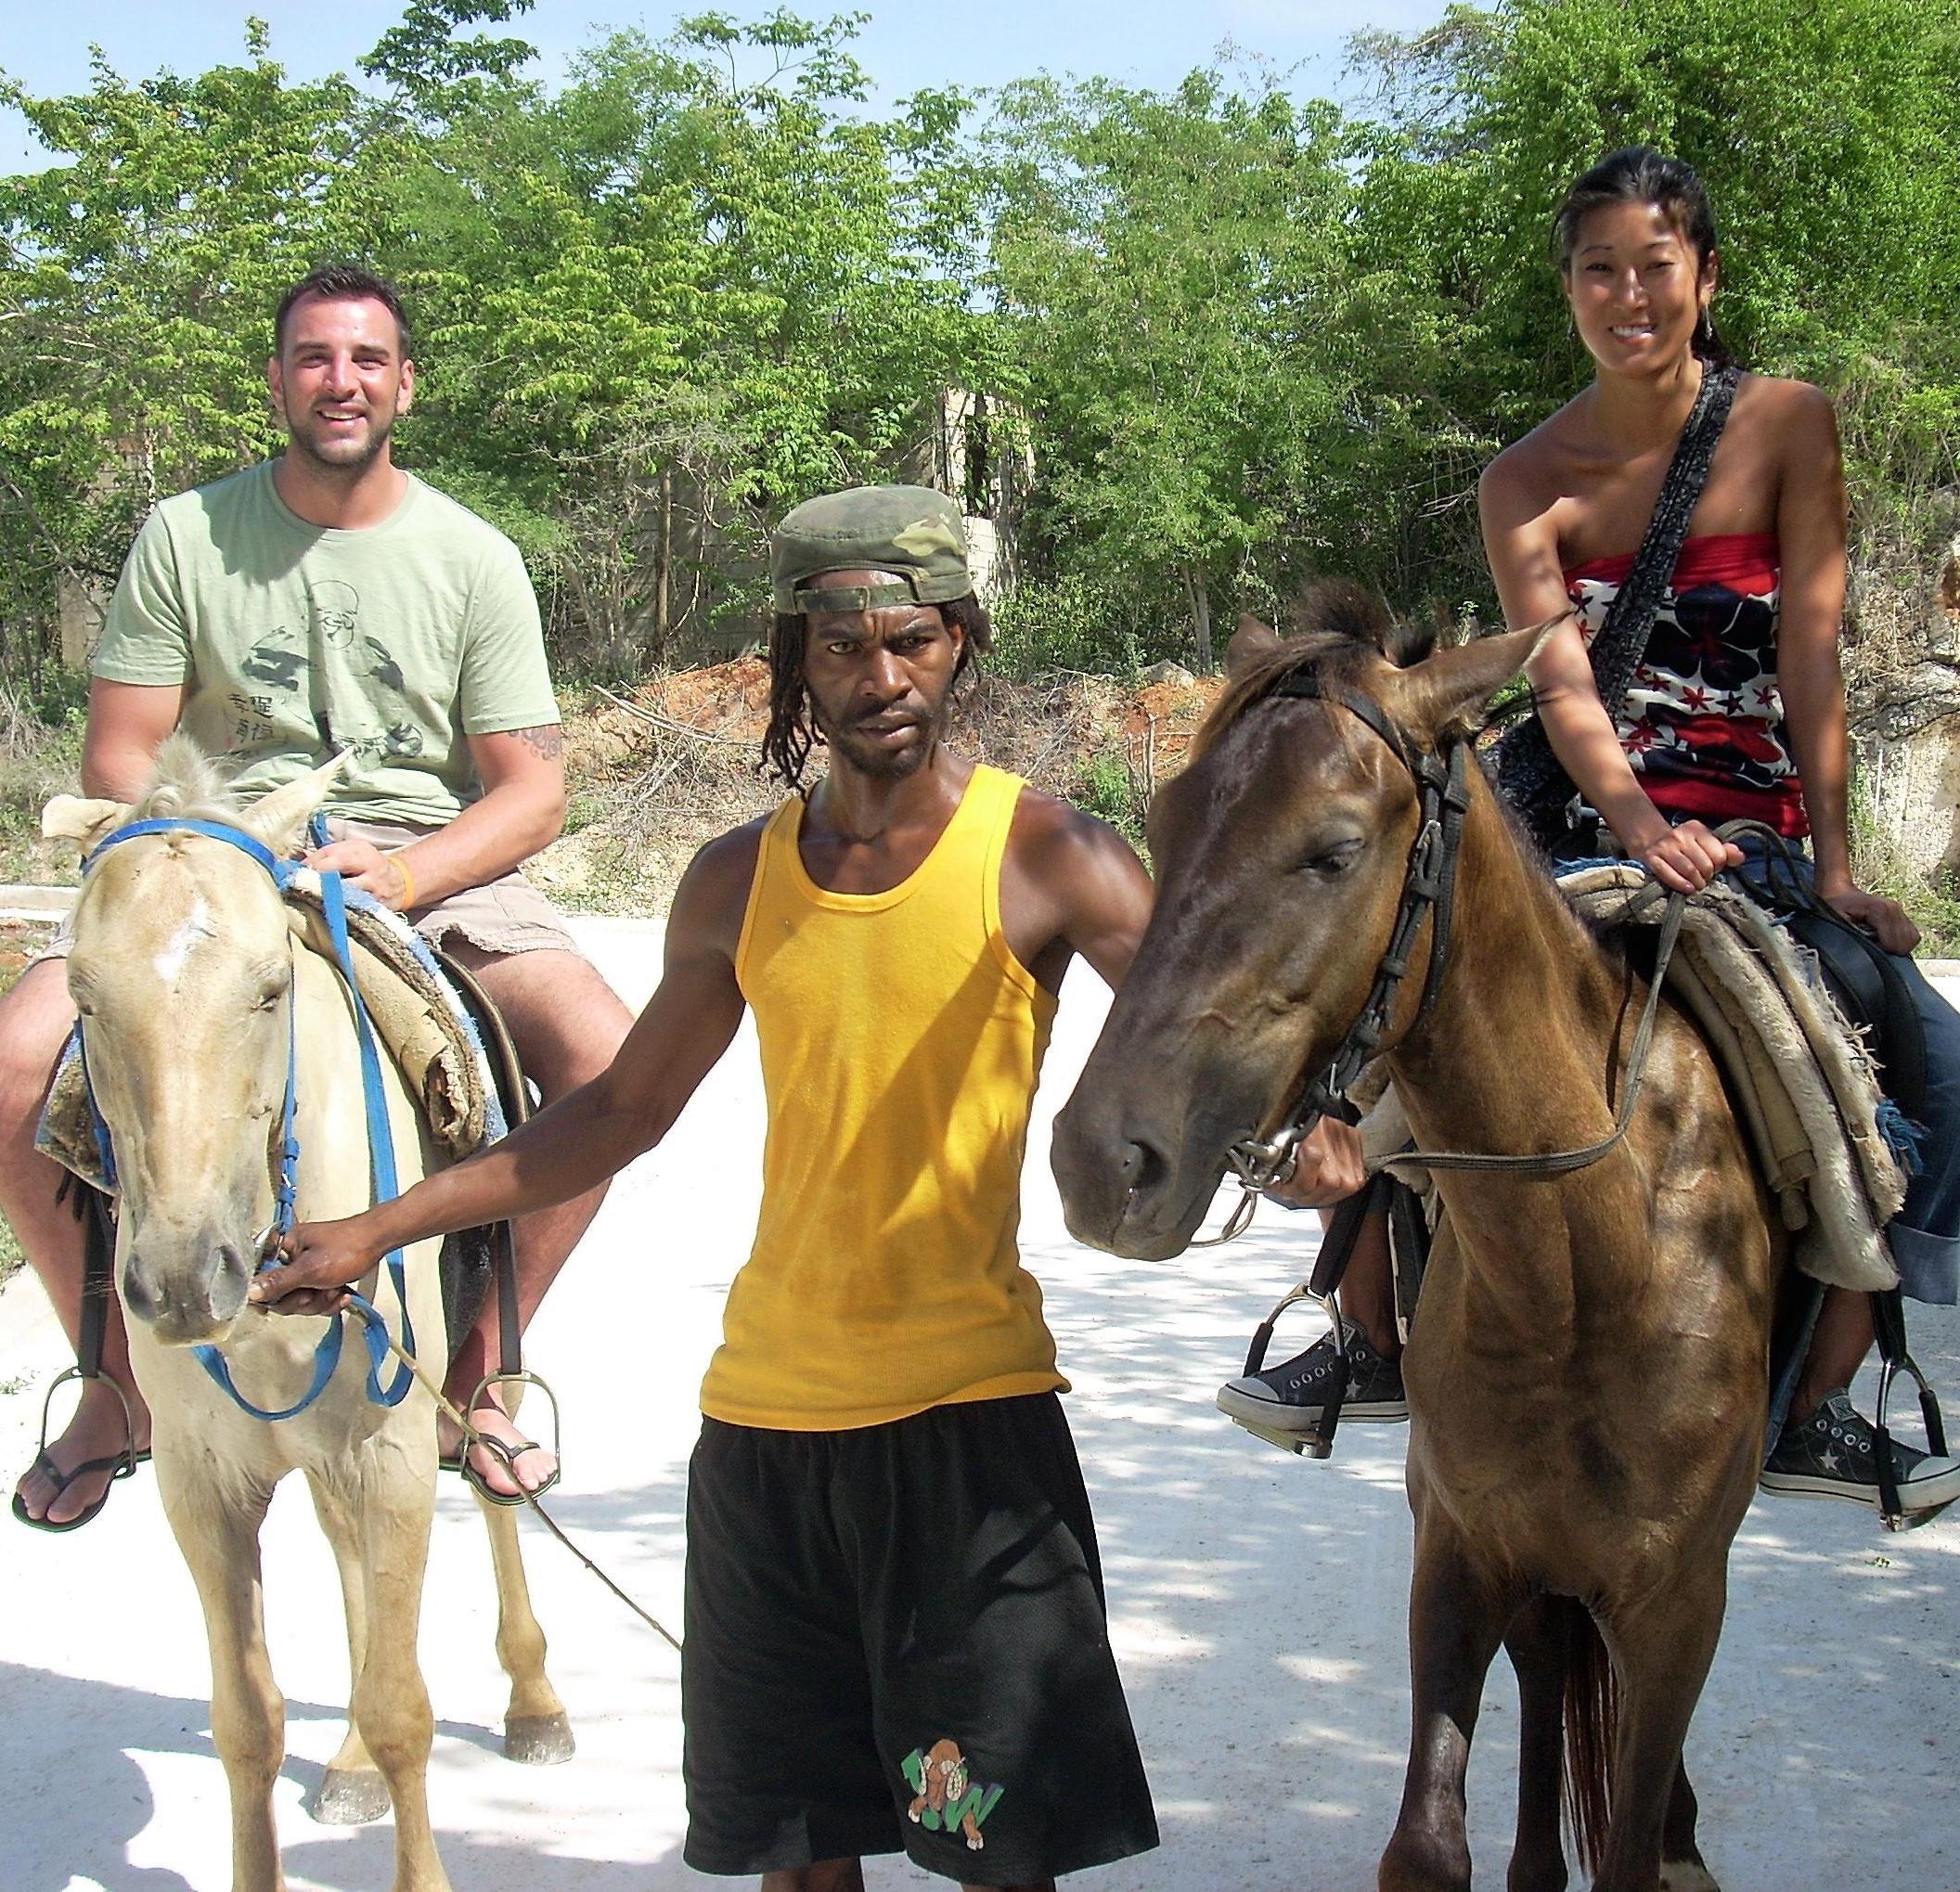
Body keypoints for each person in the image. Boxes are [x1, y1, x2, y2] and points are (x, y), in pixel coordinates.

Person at [251, 483, 1166, 1891]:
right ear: (794, 658)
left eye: (912, 640)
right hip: (764, 1429)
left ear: (961, 644)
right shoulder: (736, 879)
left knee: (1002, 1855)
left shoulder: (1050, 852)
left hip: (968, 1423)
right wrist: (375, 1230)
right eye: (845, 648)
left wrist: (1322, 1150)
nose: (882, 677)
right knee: (800, 1856)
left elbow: (1220, 1032)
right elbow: (619, 1108)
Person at [1218, 147, 1960, 1519]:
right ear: (1569, 289)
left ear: (1706, 277)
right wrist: (1635, 821)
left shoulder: (1791, 423)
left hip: (1752, 824)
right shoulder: (1524, 478)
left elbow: (1811, 656)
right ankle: (1361, 1329)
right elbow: (1557, 683)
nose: (1631, 294)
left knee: (1922, 1047)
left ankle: (1829, 1401)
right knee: (1391, 1000)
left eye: (1656, 267)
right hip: (1572, 801)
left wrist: (1842, 873)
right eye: (1600, 270)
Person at [4, 264, 632, 1526]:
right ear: (278, 379)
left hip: (415, 856)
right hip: (207, 851)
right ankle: (115, 1382)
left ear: (403, 383)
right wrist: (216, 846)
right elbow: (119, 757)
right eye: (311, 357)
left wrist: (399, 871)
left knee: (605, 1054)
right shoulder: (186, 534)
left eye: (363, 360)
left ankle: (483, 1374)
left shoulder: (472, 556)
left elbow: (529, 792)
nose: (337, 381)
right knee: (14, 1057)